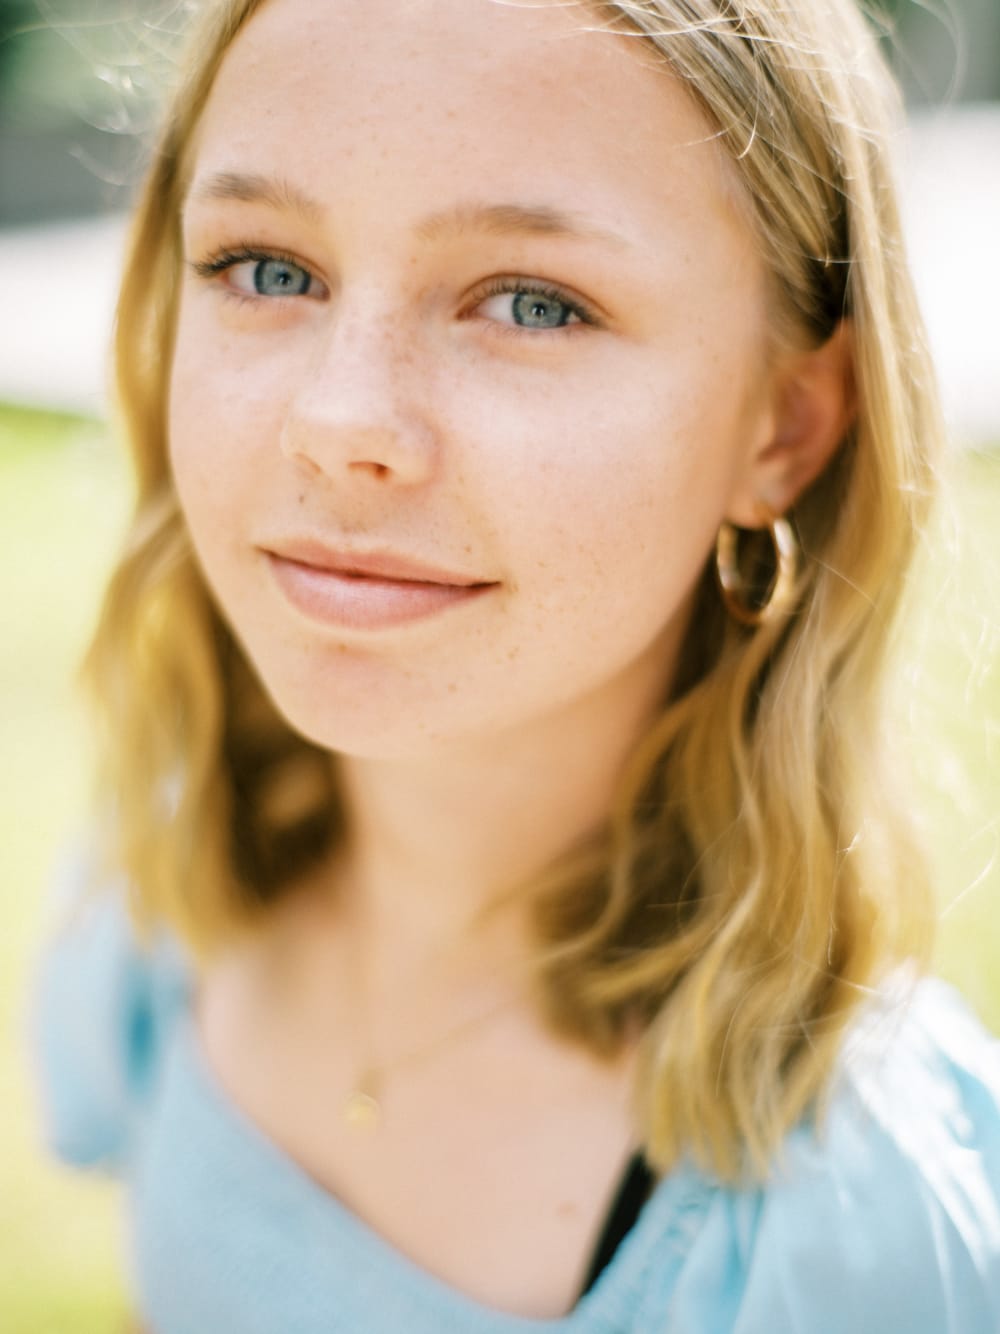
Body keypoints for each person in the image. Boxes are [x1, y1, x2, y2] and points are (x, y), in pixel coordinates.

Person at [26, 0, 1000, 1329]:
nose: (341, 421)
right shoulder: (163, 900)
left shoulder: (853, 1227)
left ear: (786, 423)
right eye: (265, 267)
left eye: (534, 302)